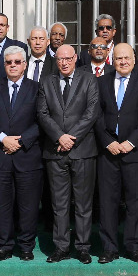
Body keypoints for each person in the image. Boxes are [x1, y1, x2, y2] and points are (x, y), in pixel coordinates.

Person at [94, 43, 138, 263]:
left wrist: (131, 142)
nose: (123, 62)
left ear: (134, 59)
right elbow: (96, 115)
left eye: (127, 58)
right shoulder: (101, 82)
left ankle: (133, 246)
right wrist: (108, 142)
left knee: (135, 202)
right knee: (107, 202)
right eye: (119, 58)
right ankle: (109, 248)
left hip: (134, 152)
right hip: (108, 153)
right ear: (113, 60)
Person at [0, 46, 44, 260]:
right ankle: (4, 246)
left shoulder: (37, 88)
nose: (13, 65)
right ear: (4, 64)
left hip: (28, 156)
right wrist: (3, 138)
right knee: (1, 206)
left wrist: (21, 141)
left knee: (28, 206)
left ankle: (26, 247)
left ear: (24, 64)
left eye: (17, 62)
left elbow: (42, 119)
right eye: (9, 62)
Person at [37, 44, 99, 263]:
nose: (63, 63)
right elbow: (42, 113)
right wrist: (59, 137)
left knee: (83, 204)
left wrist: (70, 137)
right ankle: (61, 247)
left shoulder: (89, 80)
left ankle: (82, 247)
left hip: (83, 150)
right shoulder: (46, 82)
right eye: (60, 59)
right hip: (55, 152)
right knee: (59, 204)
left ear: (75, 59)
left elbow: (92, 111)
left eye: (68, 59)